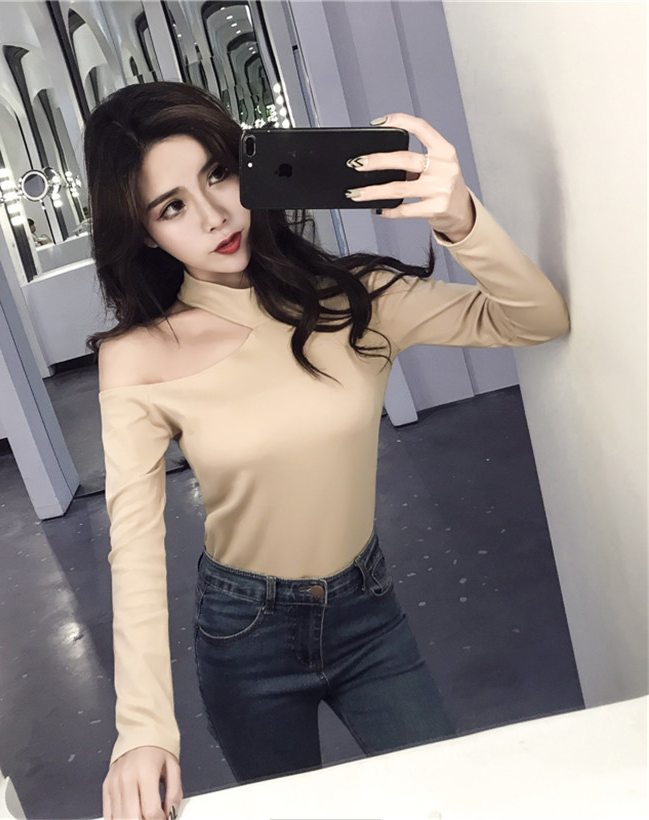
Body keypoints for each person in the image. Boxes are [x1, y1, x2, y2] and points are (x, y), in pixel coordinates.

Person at [83, 82, 570, 820]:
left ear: (251, 165)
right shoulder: (139, 357)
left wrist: (462, 219)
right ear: (145, 233)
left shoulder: (356, 299)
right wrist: (142, 729)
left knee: (451, 798)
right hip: (244, 634)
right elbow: (135, 545)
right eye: (171, 207)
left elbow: (536, 319)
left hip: (367, 613)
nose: (214, 216)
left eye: (218, 174)